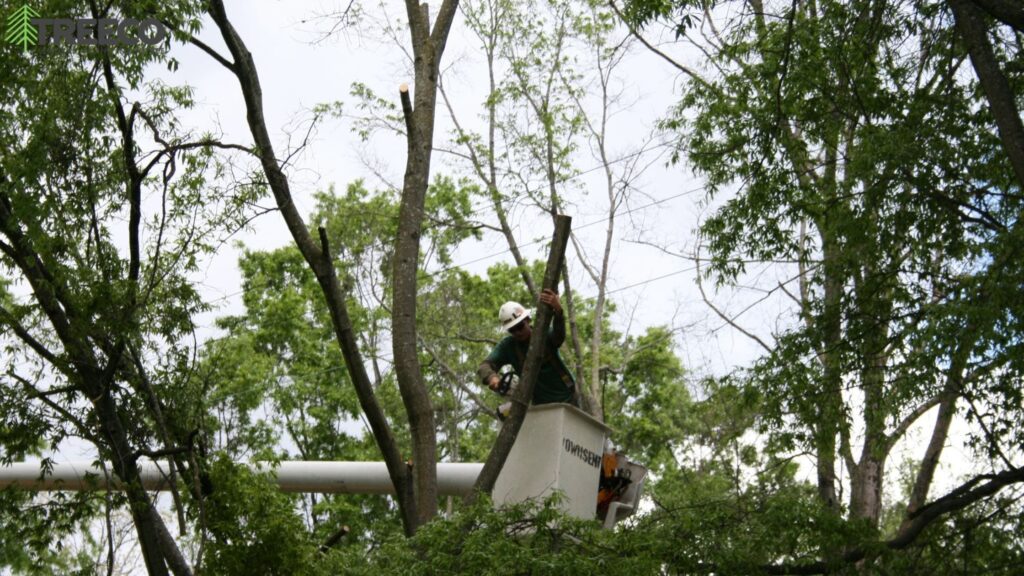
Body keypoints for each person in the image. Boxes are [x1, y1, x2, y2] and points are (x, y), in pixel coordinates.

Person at [477, 288, 578, 406]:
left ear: (528, 320)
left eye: (520, 326)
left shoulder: (543, 335)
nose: (517, 332)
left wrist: (558, 311)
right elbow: (484, 366)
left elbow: (559, 336)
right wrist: (493, 379)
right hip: (541, 404)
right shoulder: (508, 346)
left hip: (569, 396)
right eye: (512, 330)